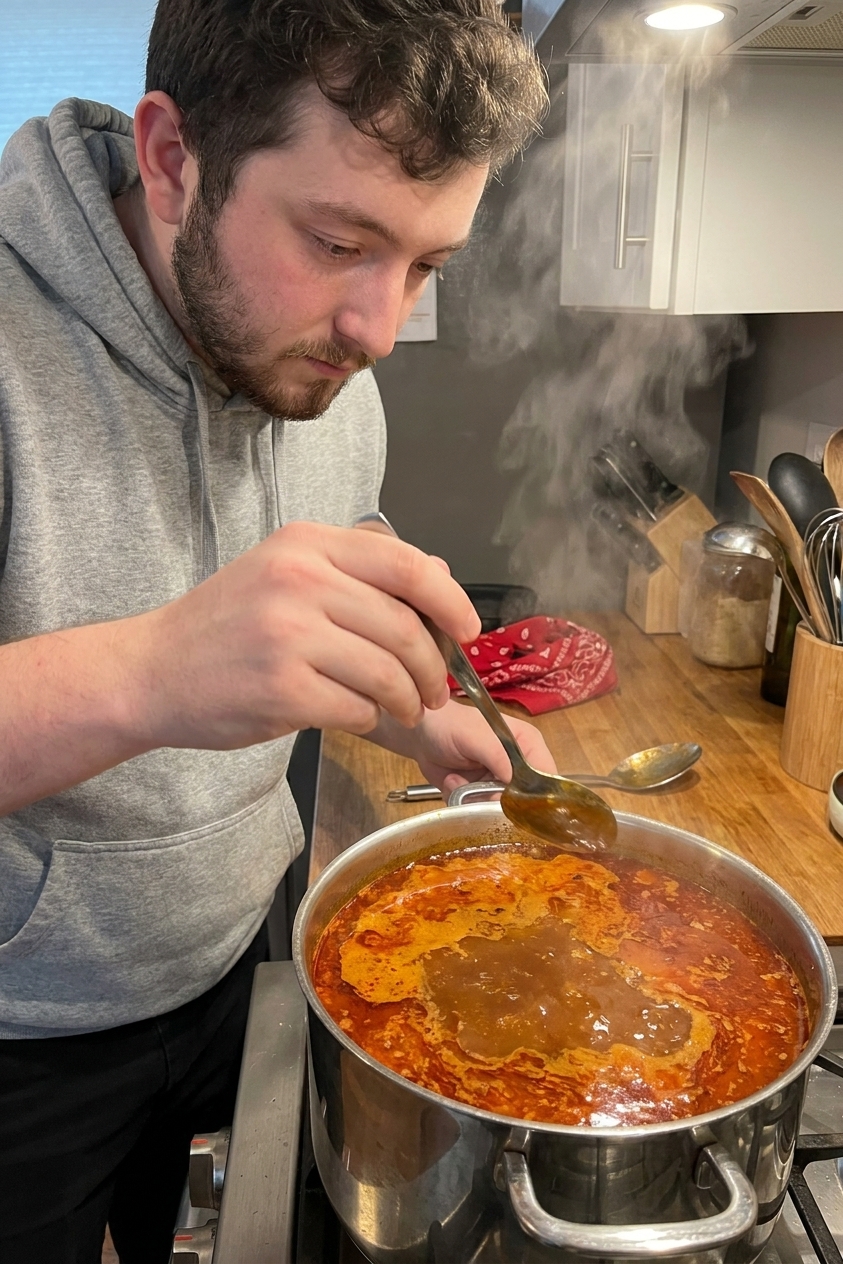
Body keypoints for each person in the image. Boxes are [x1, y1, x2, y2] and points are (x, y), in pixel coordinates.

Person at [0, 1, 550, 1259]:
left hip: (251, 968)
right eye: (339, 239)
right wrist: (151, 669)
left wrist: (431, 715)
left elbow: (333, 606)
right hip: (22, 1038)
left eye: (424, 267)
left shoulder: (323, 370)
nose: (377, 327)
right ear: (173, 158)